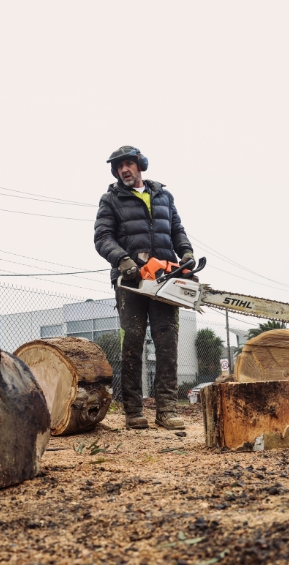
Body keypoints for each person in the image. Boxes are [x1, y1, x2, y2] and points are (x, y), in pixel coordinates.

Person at [94, 145, 193, 430]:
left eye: (128, 164)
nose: (124, 170)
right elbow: (103, 237)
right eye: (118, 167)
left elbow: (176, 230)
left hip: (165, 279)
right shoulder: (110, 199)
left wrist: (185, 253)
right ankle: (133, 410)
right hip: (131, 282)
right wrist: (122, 259)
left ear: (140, 165)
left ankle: (167, 409)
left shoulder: (163, 195)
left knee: (167, 342)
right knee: (133, 341)